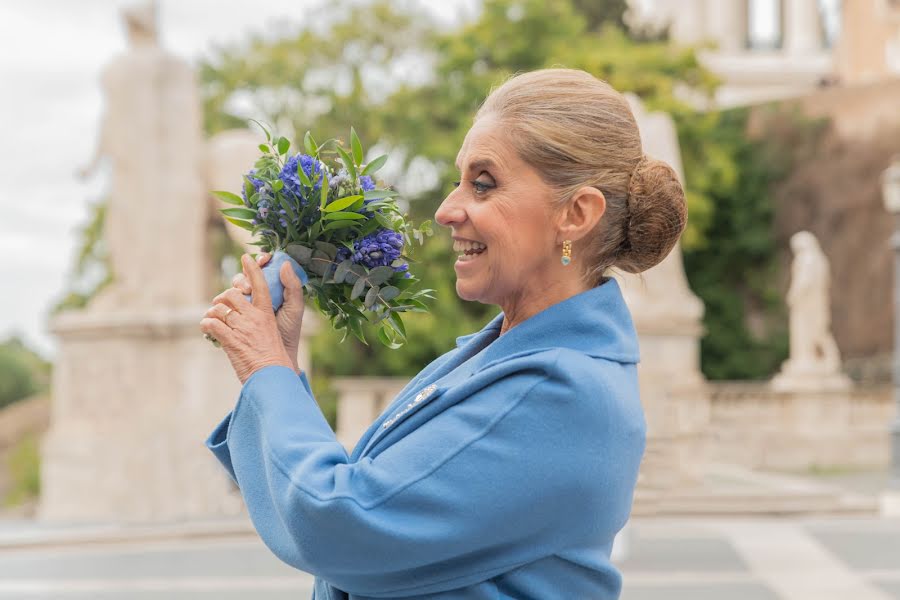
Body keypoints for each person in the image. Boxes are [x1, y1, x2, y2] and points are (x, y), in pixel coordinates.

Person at [200, 68, 687, 599]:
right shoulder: (502, 354)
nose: (447, 210)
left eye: (483, 183)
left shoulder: (561, 390)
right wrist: (283, 365)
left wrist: (266, 371)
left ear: (575, 214)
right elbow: (368, 499)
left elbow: (343, 525)